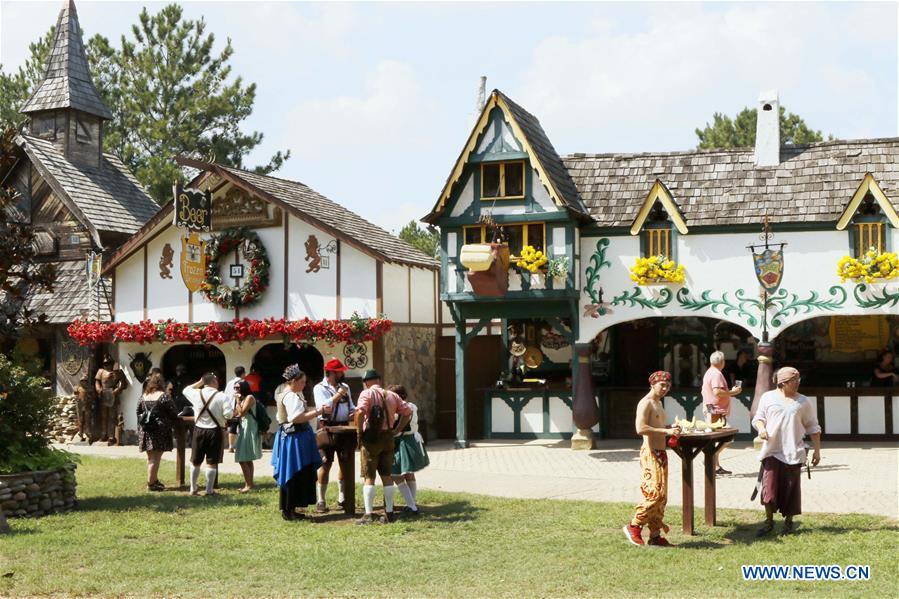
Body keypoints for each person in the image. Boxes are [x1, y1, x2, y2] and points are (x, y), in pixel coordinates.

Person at [752, 367, 822, 536]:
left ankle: (788, 523)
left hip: (793, 452)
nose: (797, 383)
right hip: (771, 451)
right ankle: (769, 522)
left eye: (798, 380)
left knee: (791, 490)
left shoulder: (803, 401)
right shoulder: (768, 397)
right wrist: (761, 429)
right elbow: (758, 418)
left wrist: (817, 451)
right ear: (783, 382)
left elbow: (813, 427)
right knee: (768, 489)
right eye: (794, 381)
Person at [624, 370, 679, 547]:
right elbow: (640, 428)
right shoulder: (645, 403)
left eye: (668, 386)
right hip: (650, 452)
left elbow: (657, 426)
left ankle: (655, 536)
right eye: (662, 385)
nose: (665, 389)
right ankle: (634, 525)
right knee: (654, 494)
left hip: (661, 452)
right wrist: (666, 431)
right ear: (652, 384)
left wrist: (670, 427)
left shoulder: (659, 404)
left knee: (662, 497)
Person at [353, 369, 412, 525]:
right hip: (388, 437)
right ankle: (389, 513)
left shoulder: (366, 394)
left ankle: (368, 514)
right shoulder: (392, 395)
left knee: (369, 476)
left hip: (371, 439)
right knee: (387, 475)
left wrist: (359, 433)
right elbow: (408, 412)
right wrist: (397, 430)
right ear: (379, 380)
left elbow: (360, 413)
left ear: (366, 382)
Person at [272, 364, 323, 521]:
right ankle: (289, 510)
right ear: (293, 381)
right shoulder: (291, 396)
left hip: (291, 437)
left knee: (295, 472)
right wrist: (317, 412)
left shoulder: (285, 394)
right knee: (294, 472)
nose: (304, 385)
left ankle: (291, 509)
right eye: (302, 382)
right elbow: (295, 418)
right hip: (294, 439)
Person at [312, 358, 356, 513]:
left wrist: (354, 412)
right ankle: (321, 500)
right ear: (331, 372)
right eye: (339, 372)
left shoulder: (345, 387)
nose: (342, 374)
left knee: (344, 463)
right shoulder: (319, 388)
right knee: (326, 463)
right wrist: (338, 394)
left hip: (344, 427)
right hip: (326, 428)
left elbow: (351, 406)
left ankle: (342, 498)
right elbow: (325, 407)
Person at [181, 373, 233, 496]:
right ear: (214, 382)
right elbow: (229, 415)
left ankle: (193, 488)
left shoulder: (196, 393)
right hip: (215, 431)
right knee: (212, 461)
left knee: (195, 460)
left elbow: (185, 390)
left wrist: (200, 382)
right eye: (216, 380)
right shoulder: (222, 396)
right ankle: (209, 490)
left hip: (199, 430)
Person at [387, 384, 429, 516]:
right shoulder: (412, 406)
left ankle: (412, 506)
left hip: (404, 441)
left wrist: (393, 431)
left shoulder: (402, 409)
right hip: (411, 440)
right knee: (409, 474)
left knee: (395, 473)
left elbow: (398, 426)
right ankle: (412, 504)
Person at [137, 372, 179, 491]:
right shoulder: (164, 396)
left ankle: (154, 480)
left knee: (150, 457)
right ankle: (151, 484)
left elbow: (138, 412)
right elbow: (174, 412)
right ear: (162, 383)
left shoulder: (143, 396)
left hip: (146, 429)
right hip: (159, 429)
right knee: (156, 457)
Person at [701, 351, 742, 474]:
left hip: (712, 408)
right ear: (722, 362)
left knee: (716, 438)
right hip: (715, 410)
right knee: (728, 437)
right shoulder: (716, 374)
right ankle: (709, 456)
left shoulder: (710, 372)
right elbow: (717, 392)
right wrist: (733, 392)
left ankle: (716, 467)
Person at [233, 380, 262, 493]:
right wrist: (237, 402)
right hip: (244, 428)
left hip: (250, 429)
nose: (236, 390)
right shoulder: (243, 399)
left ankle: (248, 485)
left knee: (242, 459)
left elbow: (242, 412)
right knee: (247, 458)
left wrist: (237, 401)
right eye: (235, 388)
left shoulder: (249, 397)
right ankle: (249, 484)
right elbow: (236, 413)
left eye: (238, 387)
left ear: (244, 388)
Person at [94, 355, 124, 445]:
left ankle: (111, 435)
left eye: (109, 363)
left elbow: (122, 383)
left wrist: (117, 390)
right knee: (104, 416)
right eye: (106, 363)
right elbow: (97, 382)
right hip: (104, 394)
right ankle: (104, 434)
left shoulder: (117, 372)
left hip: (112, 393)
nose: (108, 365)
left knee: (112, 416)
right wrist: (98, 389)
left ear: (112, 363)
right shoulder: (101, 371)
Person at [225, 366, 247, 453]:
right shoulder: (243, 383)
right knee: (243, 426)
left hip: (231, 407)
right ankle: (242, 446)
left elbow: (226, 395)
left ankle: (231, 446)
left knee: (232, 427)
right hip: (239, 406)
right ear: (243, 373)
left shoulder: (230, 383)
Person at [73, 376, 94, 443]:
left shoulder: (90, 389)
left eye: (85, 381)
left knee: (88, 420)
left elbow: (93, 397)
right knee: (81, 421)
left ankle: (88, 434)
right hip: (80, 406)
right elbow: (76, 397)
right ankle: (81, 434)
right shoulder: (78, 388)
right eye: (82, 381)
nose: (84, 382)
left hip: (88, 406)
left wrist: (91, 401)